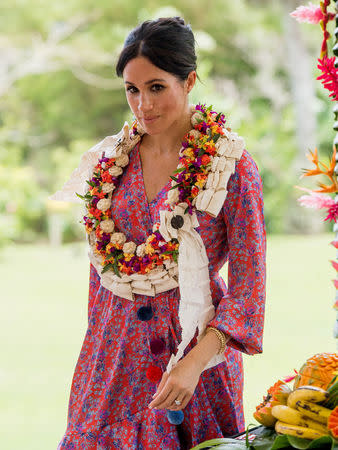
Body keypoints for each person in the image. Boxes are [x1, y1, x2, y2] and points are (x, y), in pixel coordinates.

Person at [55, 16, 266, 450]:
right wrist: (99, 346)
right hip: (112, 359)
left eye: (156, 87)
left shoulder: (230, 167)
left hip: (192, 357)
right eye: (132, 90)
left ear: (189, 81)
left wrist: (192, 365)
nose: (143, 105)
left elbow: (249, 288)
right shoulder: (110, 163)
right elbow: (101, 271)